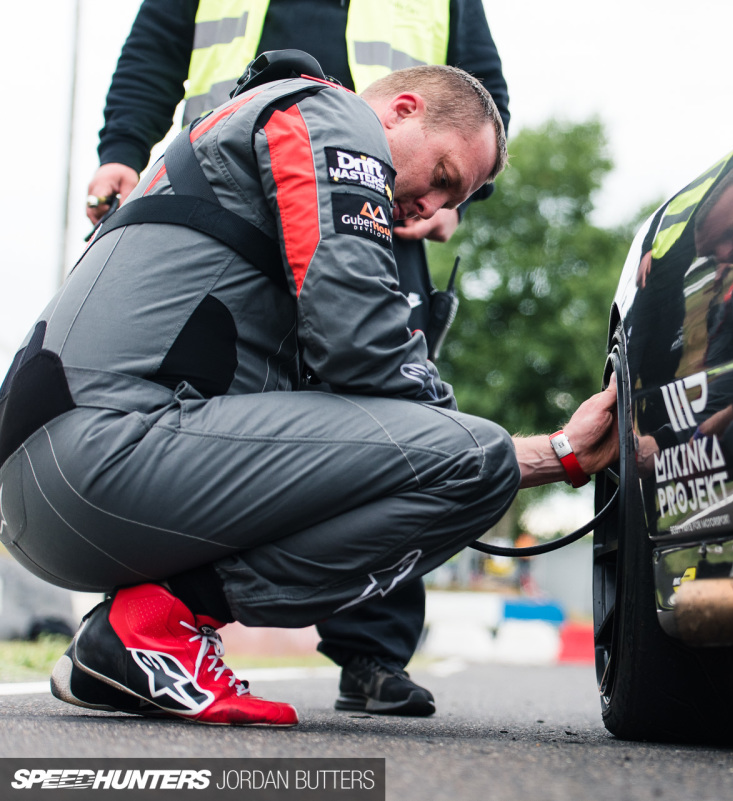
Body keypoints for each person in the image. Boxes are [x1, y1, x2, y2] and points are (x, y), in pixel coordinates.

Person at [0, 65, 617, 727]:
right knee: (474, 456)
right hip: (96, 457)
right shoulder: (332, 115)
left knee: (465, 458)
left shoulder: (261, 158)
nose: (433, 210)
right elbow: (360, 338)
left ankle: (142, 638)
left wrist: (549, 456)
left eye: (451, 202)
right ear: (402, 109)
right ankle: (149, 630)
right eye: (442, 177)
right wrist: (498, 455)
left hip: (59, 483)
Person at [82, 0, 511, 717]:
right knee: (196, 388)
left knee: (390, 413)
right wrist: (121, 150)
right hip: (234, 192)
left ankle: (372, 650)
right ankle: (143, 626)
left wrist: (450, 196)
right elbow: (152, 52)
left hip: (375, 208)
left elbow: (481, 100)